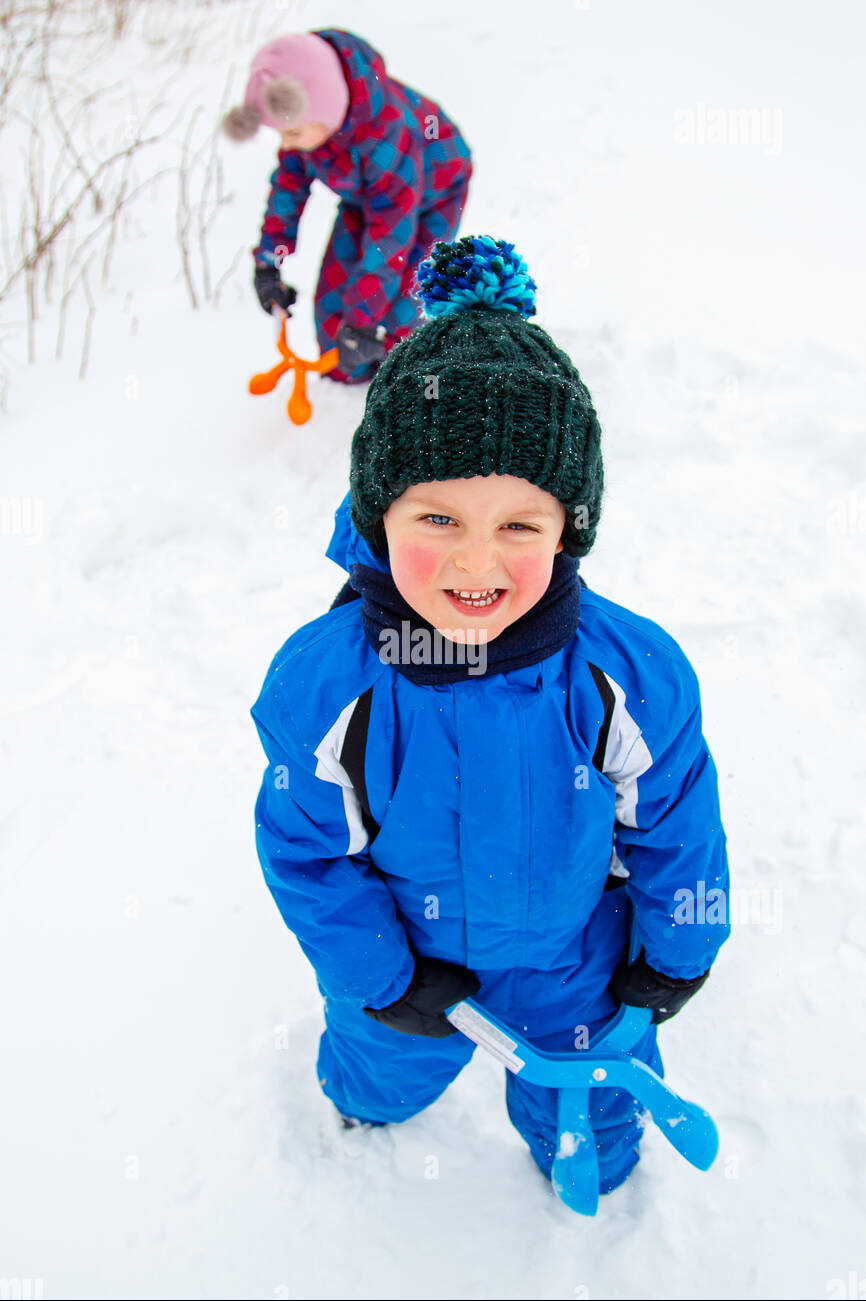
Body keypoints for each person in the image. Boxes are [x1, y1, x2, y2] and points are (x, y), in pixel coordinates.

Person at [250, 235, 730, 1197]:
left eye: (520, 525)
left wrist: (679, 949)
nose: (478, 565)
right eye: (438, 520)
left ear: (571, 529)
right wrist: (383, 978)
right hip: (409, 955)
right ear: (379, 515)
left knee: (592, 1091)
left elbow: (678, 820)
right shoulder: (327, 686)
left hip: (572, 953)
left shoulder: (627, 674)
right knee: (383, 1060)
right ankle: (360, 1108)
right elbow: (306, 850)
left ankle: (605, 1175)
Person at [222, 30, 473, 383]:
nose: (285, 144)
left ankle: (408, 383)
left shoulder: (387, 132)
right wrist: (269, 262)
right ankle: (349, 376)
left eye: (292, 133)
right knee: (334, 318)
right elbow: (287, 192)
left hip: (433, 196)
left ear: (324, 109)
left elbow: (389, 239)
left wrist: (364, 320)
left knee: (399, 312)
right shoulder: (307, 136)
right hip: (369, 198)